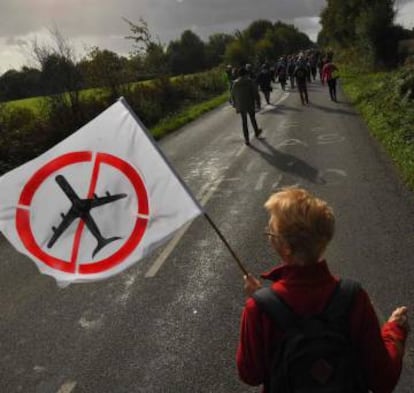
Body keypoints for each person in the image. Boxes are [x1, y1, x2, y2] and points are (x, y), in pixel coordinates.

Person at [237, 187, 409, 393]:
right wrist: (394, 331)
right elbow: (383, 380)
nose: (269, 237)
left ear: (286, 248)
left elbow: (250, 374)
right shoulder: (353, 297)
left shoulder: (258, 308)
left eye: (271, 233)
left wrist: (261, 299)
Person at [231, 67, 263, 145]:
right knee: (252, 118)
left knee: (244, 122)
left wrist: (234, 104)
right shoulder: (249, 81)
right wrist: (258, 103)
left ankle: (247, 139)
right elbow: (255, 93)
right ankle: (256, 132)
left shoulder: (235, 83)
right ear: (246, 74)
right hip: (249, 103)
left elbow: (232, 94)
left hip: (241, 105)